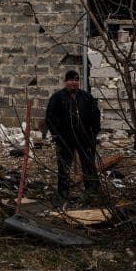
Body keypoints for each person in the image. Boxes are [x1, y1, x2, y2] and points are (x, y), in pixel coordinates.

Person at [45, 69, 101, 201]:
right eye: (71, 80)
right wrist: (56, 134)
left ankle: (91, 193)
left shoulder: (86, 97)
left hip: (85, 138)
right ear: (65, 82)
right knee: (64, 166)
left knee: (88, 165)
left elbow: (95, 115)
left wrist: (94, 132)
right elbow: (50, 118)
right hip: (65, 139)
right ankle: (63, 193)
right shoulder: (57, 97)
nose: (73, 83)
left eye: (76, 80)